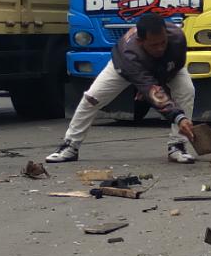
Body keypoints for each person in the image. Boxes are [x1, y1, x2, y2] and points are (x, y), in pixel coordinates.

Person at [47, 13, 198, 164]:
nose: (160, 48)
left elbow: (176, 64)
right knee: (92, 98)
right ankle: (70, 146)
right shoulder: (129, 54)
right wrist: (179, 117)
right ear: (140, 41)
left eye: (163, 43)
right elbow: (150, 88)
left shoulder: (177, 37)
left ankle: (177, 145)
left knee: (186, 90)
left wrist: (159, 83)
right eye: (154, 45)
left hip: (164, 69)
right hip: (123, 68)